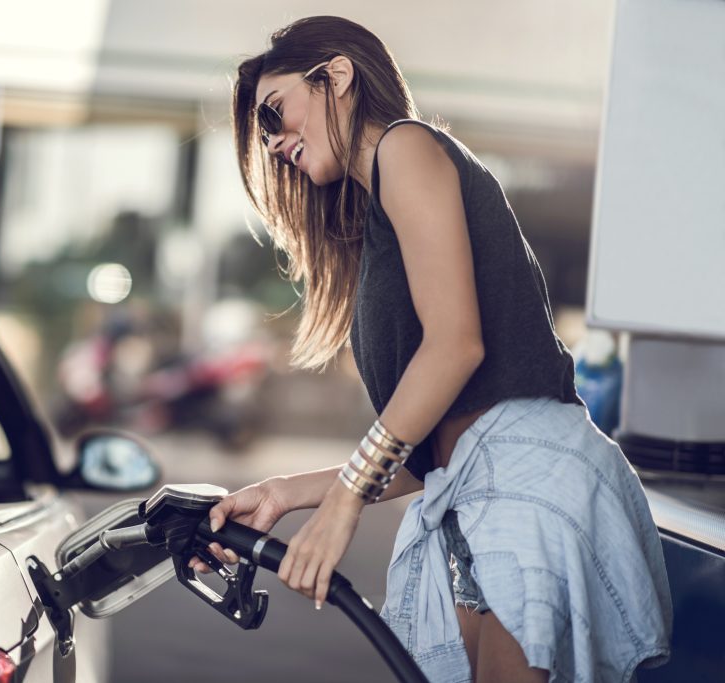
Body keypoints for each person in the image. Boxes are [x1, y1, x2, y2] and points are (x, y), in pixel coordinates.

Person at [188, 16, 672, 683]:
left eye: (275, 114)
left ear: (336, 74)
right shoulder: (378, 222)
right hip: (475, 501)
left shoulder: (406, 147)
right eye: (263, 133)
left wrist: (345, 501)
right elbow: (434, 449)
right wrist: (284, 492)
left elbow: (455, 347)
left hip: (527, 483)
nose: (272, 143)